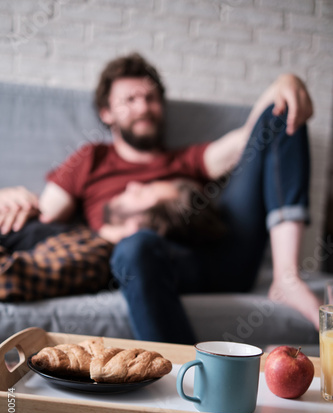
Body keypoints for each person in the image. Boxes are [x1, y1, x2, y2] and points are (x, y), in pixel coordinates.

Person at [0, 53, 321, 343]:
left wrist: (286, 82)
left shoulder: (187, 159)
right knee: (136, 246)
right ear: (107, 112)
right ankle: (187, 383)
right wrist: (9, 197)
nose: (143, 107)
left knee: (283, 112)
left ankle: (287, 277)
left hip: (221, 254)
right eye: (130, 99)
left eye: (151, 98)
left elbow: (257, 133)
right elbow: (41, 217)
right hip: (146, 259)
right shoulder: (90, 158)